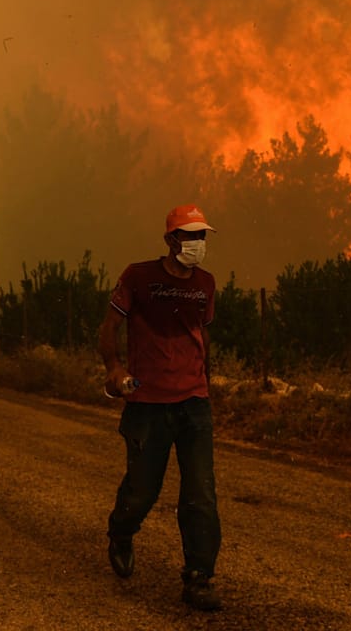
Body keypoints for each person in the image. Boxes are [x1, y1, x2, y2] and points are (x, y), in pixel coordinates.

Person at [99, 203, 223, 612]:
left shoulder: (205, 284)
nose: (197, 244)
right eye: (190, 237)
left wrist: (206, 380)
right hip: (147, 405)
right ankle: (121, 531)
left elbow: (201, 337)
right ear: (171, 240)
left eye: (201, 237)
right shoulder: (138, 278)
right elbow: (109, 327)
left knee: (200, 494)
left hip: (193, 404)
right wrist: (114, 368)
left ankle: (199, 577)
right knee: (141, 491)